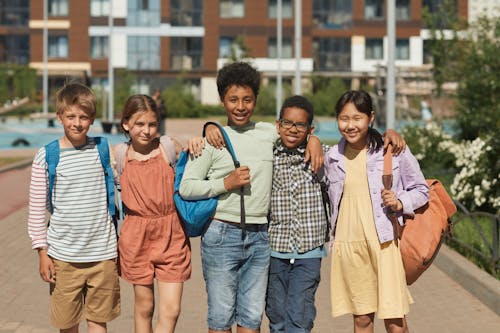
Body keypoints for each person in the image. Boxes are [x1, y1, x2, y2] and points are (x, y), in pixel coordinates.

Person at [179, 62, 324, 333]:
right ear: (222, 101)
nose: (241, 106)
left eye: (247, 99)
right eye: (233, 99)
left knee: (251, 317)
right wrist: (225, 183)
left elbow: (298, 135)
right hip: (221, 234)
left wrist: (313, 141)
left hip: (260, 237)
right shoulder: (214, 139)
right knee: (221, 317)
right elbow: (187, 187)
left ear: (256, 100)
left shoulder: (268, 132)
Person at [324, 90, 429, 333]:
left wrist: (400, 202)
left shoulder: (391, 150)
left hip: (384, 245)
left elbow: (422, 190)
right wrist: (313, 140)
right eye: (344, 119)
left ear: (370, 118)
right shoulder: (332, 157)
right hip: (350, 247)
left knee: (395, 324)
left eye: (357, 118)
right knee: (362, 321)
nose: (350, 125)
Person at [27, 82, 120, 333]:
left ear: (92, 119)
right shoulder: (46, 156)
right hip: (63, 257)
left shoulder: (103, 149)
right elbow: (37, 210)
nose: (77, 123)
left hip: (102, 254)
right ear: (60, 117)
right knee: (67, 324)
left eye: (83, 117)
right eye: (71, 116)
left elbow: (124, 182)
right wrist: (42, 252)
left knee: (98, 321)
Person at [114, 94, 192, 333]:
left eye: (151, 124)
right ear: (126, 124)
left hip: (172, 234)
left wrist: (198, 142)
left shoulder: (169, 147)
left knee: (171, 310)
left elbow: (198, 163)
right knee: (144, 307)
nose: (146, 131)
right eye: (139, 124)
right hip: (136, 236)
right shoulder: (118, 155)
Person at [265, 95, 330, 333]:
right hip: (275, 248)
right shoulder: (268, 156)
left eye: (300, 125)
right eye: (287, 123)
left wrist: (315, 140)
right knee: (277, 314)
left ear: (309, 129)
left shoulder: (321, 156)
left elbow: (353, 150)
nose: (293, 129)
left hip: (309, 251)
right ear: (278, 125)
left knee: (300, 316)